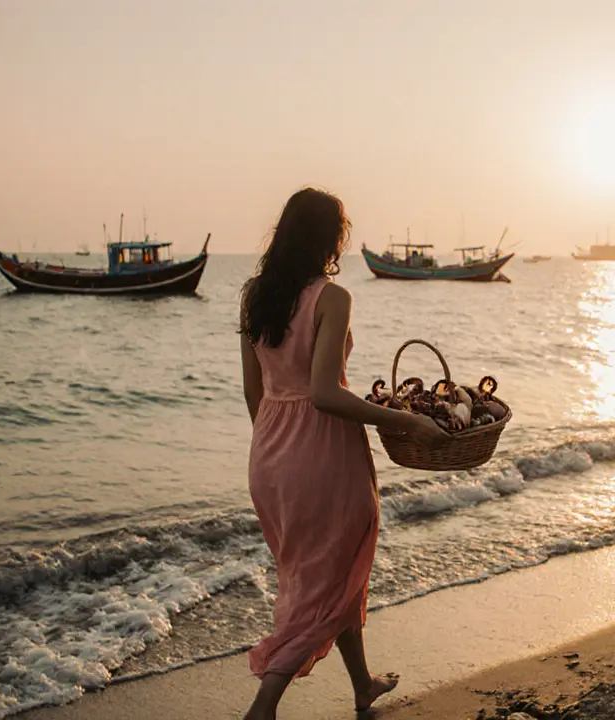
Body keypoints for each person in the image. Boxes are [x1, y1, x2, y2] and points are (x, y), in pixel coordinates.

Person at [238, 188, 449, 719]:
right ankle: (264, 705)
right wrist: (408, 421)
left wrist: (277, 452)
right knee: (328, 577)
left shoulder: (254, 295)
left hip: (268, 454)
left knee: (331, 571)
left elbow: (253, 393)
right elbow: (326, 393)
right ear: (331, 238)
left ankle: (362, 684)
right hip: (323, 452)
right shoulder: (332, 297)